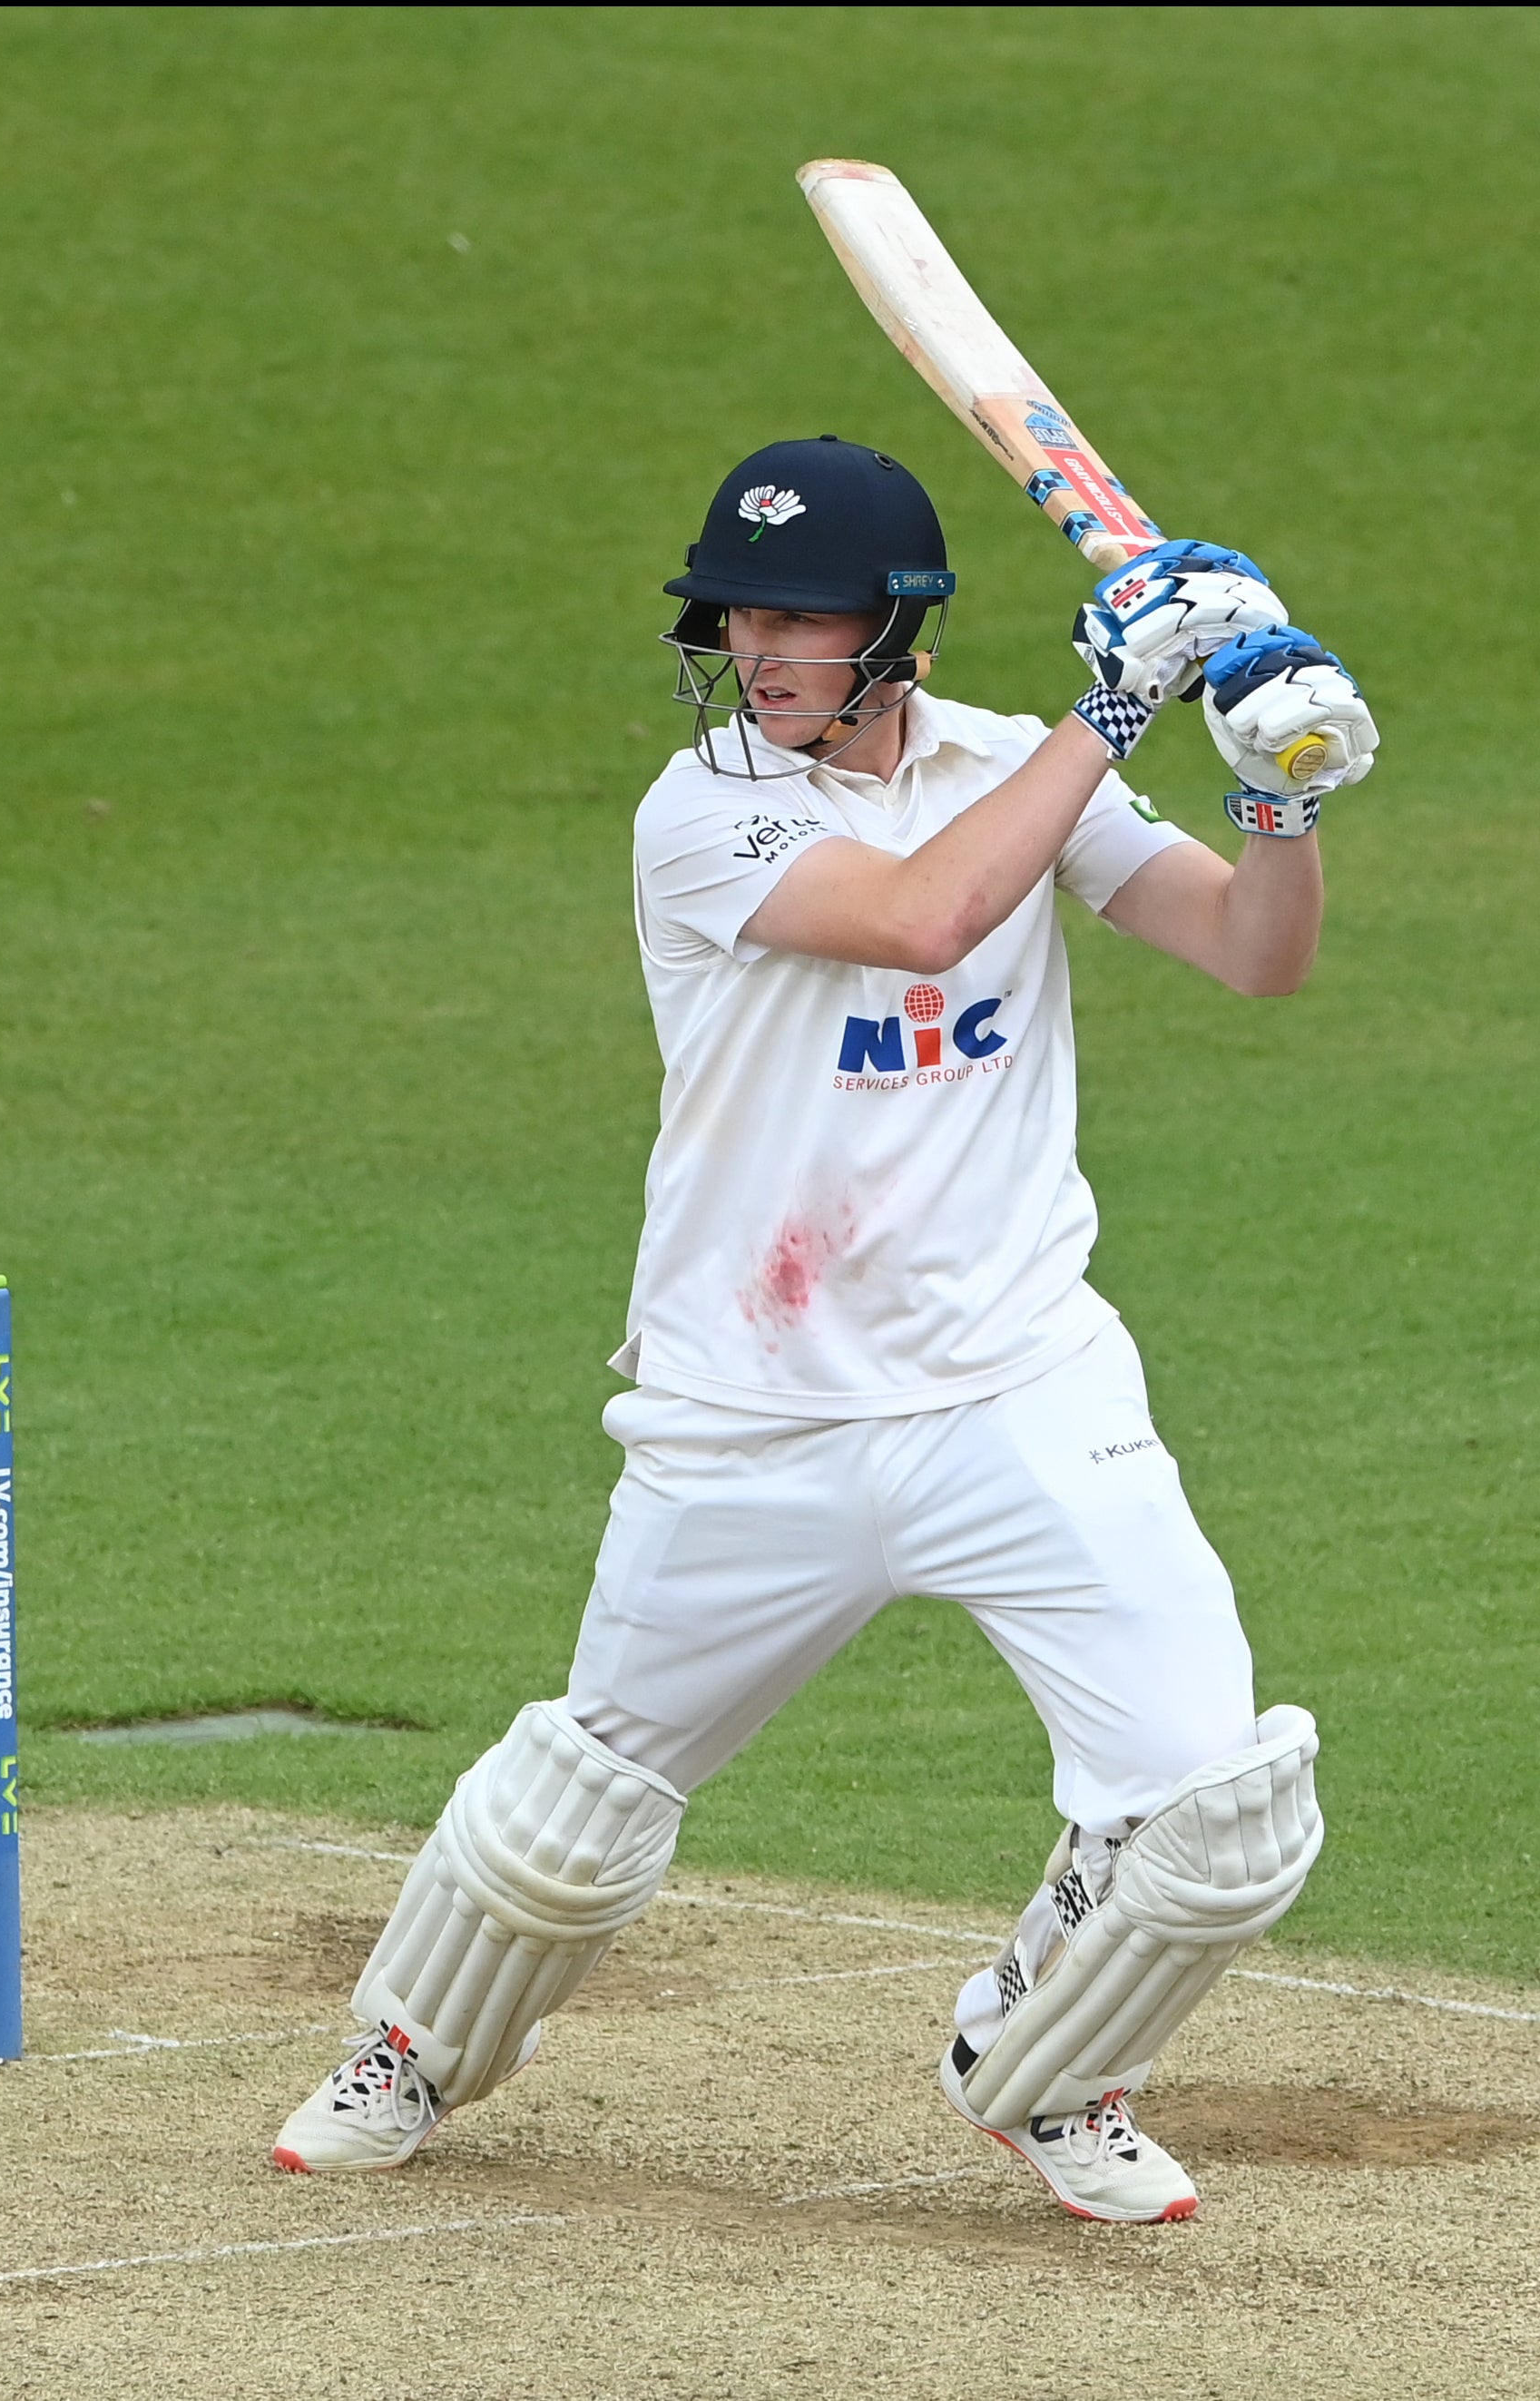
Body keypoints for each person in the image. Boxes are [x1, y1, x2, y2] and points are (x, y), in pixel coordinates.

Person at [271, 436, 1378, 2222]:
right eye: (739, 615)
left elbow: (1255, 957)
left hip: (1017, 1386)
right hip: (753, 1410)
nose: (758, 648)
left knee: (1215, 1808)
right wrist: (1123, 698)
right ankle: (409, 2049)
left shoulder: (1017, 765)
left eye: (800, 616)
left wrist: (1279, 797)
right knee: (581, 1804)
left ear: (897, 629)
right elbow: (925, 919)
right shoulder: (708, 808)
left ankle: (1043, 2065)